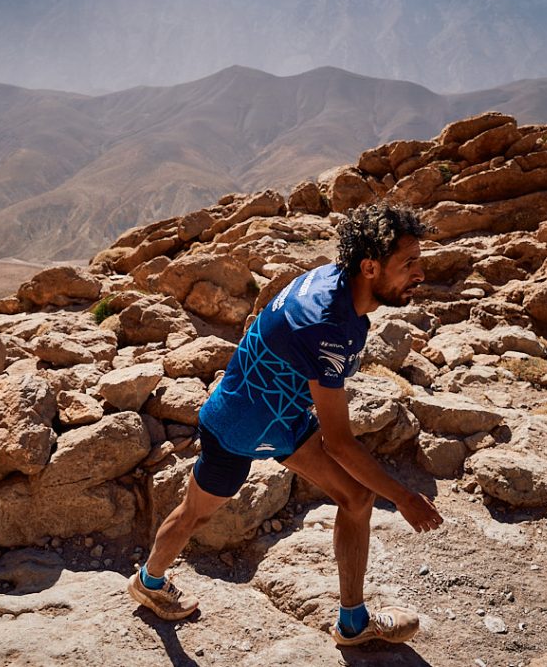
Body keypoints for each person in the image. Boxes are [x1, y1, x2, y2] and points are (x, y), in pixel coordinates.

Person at [128, 202, 444, 646]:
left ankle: (353, 623)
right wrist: (405, 498)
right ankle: (149, 582)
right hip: (238, 424)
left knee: (356, 497)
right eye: (408, 263)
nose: (420, 273)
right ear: (370, 267)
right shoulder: (328, 326)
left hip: (283, 417)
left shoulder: (336, 281)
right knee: (195, 515)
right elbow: (339, 443)